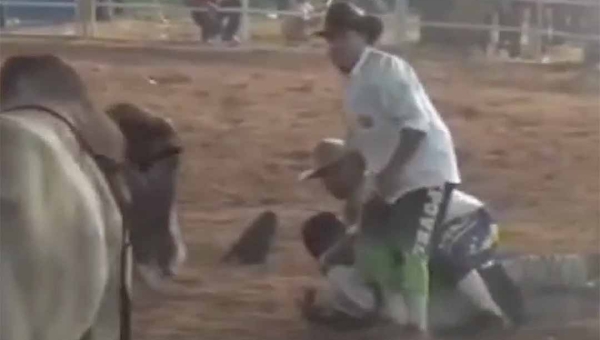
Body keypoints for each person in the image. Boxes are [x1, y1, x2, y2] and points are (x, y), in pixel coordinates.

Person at [313, 1, 463, 336]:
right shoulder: (359, 79)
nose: (333, 46)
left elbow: (416, 127)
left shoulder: (387, 69)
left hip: (425, 173)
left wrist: (388, 175)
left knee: (412, 250)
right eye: (330, 39)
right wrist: (370, 182)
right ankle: (396, 318)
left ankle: (416, 326)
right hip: (390, 176)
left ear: (361, 37)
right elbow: (365, 139)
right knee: (373, 245)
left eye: (339, 37)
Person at [298, 138, 525, 334]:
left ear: (352, 165)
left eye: (332, 173)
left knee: (424, 250)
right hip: (461, 239)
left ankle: (491, 314)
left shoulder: (377, 186)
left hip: (474, 224)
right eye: (324, 177)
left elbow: (361, 238)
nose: (328, 183)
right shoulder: (358, 203)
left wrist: (329, 261)